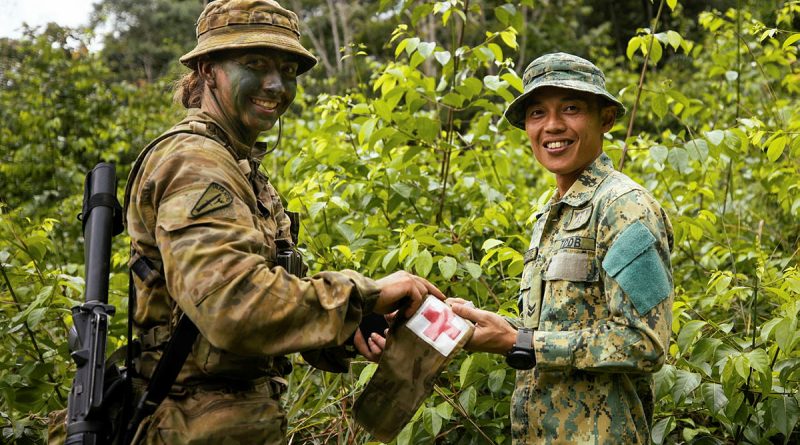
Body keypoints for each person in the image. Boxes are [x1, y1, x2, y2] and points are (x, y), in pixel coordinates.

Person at [122, 0, 443, 443]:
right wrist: (365, 294)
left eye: (288, 70)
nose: (275, 85)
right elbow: (233, 306)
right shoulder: (196, 164)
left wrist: (347, 332)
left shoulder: (239, 167)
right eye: (254, 64)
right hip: (191, 426)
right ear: (206, 69)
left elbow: (266, 295)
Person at [450, 52, 674, 444]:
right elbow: (555, 332)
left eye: (571, 108)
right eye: (537, 113)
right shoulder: (552, 214)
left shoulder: (624, 208)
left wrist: (520, 342)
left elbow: (645, 342)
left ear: (604, 118)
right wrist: (496, 327)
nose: (552, 126)